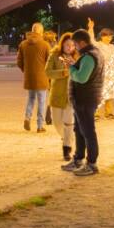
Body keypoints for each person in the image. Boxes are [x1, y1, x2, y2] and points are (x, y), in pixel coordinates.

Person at [62, 29, 103, 176]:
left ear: (82, 43)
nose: (75, 48)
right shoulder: (93, 53)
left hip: (85, 98)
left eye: (76, 45)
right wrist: (74, 64)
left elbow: (81, 77)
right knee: (79, 130)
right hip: (85, 98)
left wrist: (71, 68)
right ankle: (78, 159)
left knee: (87, 132)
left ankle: (91, 164)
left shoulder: (88, 57)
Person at [44, 32, 76, 161]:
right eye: (67, 44)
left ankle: (66, 148)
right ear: (62, 44)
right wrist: (63, 72)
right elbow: (48, 72)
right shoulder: (54, 55)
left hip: (71, 95)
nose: (70, 47)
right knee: (57, 122)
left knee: (69, 123)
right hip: (57, 93)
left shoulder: (78, 57)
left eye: (72, 45)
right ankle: (67, 138)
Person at [16, 23, 50, 132]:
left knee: (30, 99)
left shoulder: (23, 44)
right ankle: (40, 126)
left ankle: (27, 117)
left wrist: (25, 71)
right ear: (41, 32)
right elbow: (49, 62)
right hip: (42, 77)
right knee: (41, 101)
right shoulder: (45, 45)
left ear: (32, 30)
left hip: (29, 76)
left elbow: (19, 61)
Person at [87, 20, 114, 121]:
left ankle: (108, 113)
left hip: (110, 72)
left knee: (110, 93)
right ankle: (95, 113)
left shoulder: (113, 47)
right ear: (102, 36)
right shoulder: (98, 45)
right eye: (107, 36)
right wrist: (91, 28)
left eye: (110, 36)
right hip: (100, 71)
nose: (109, 38)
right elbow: (90, 40)